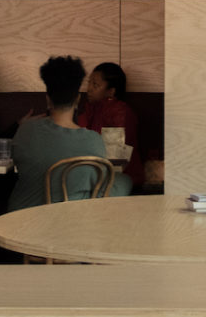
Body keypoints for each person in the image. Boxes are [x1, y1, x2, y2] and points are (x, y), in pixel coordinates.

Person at [8, 56, 129, 211]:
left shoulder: (26, 129)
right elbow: (99, 183)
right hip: (69, 223)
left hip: (19, 219)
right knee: (123, 182)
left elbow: (17, 160)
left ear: (48, 100)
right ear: (77, 100)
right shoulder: (93, 140)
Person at [77, 62, 143, 191]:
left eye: (95, 85)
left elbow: (116, 160)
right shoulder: (92, 109)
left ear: (111, 91)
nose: (88, 88)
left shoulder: (119, 112)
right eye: (89, 83)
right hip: (100, 176)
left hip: (121, 179)